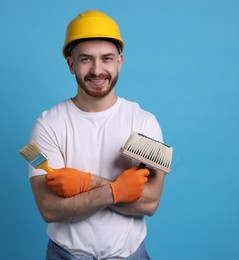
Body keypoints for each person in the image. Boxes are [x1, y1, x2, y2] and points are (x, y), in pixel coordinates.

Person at [28, 10, 166, 260]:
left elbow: (150, 203)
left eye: (106, 58)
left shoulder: (144, 122)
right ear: (71, 64)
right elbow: (49, 209)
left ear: (119, 62)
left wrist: (89, 183)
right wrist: (115, 190)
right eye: (85, 59)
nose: (97, 70)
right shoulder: (47, 125)